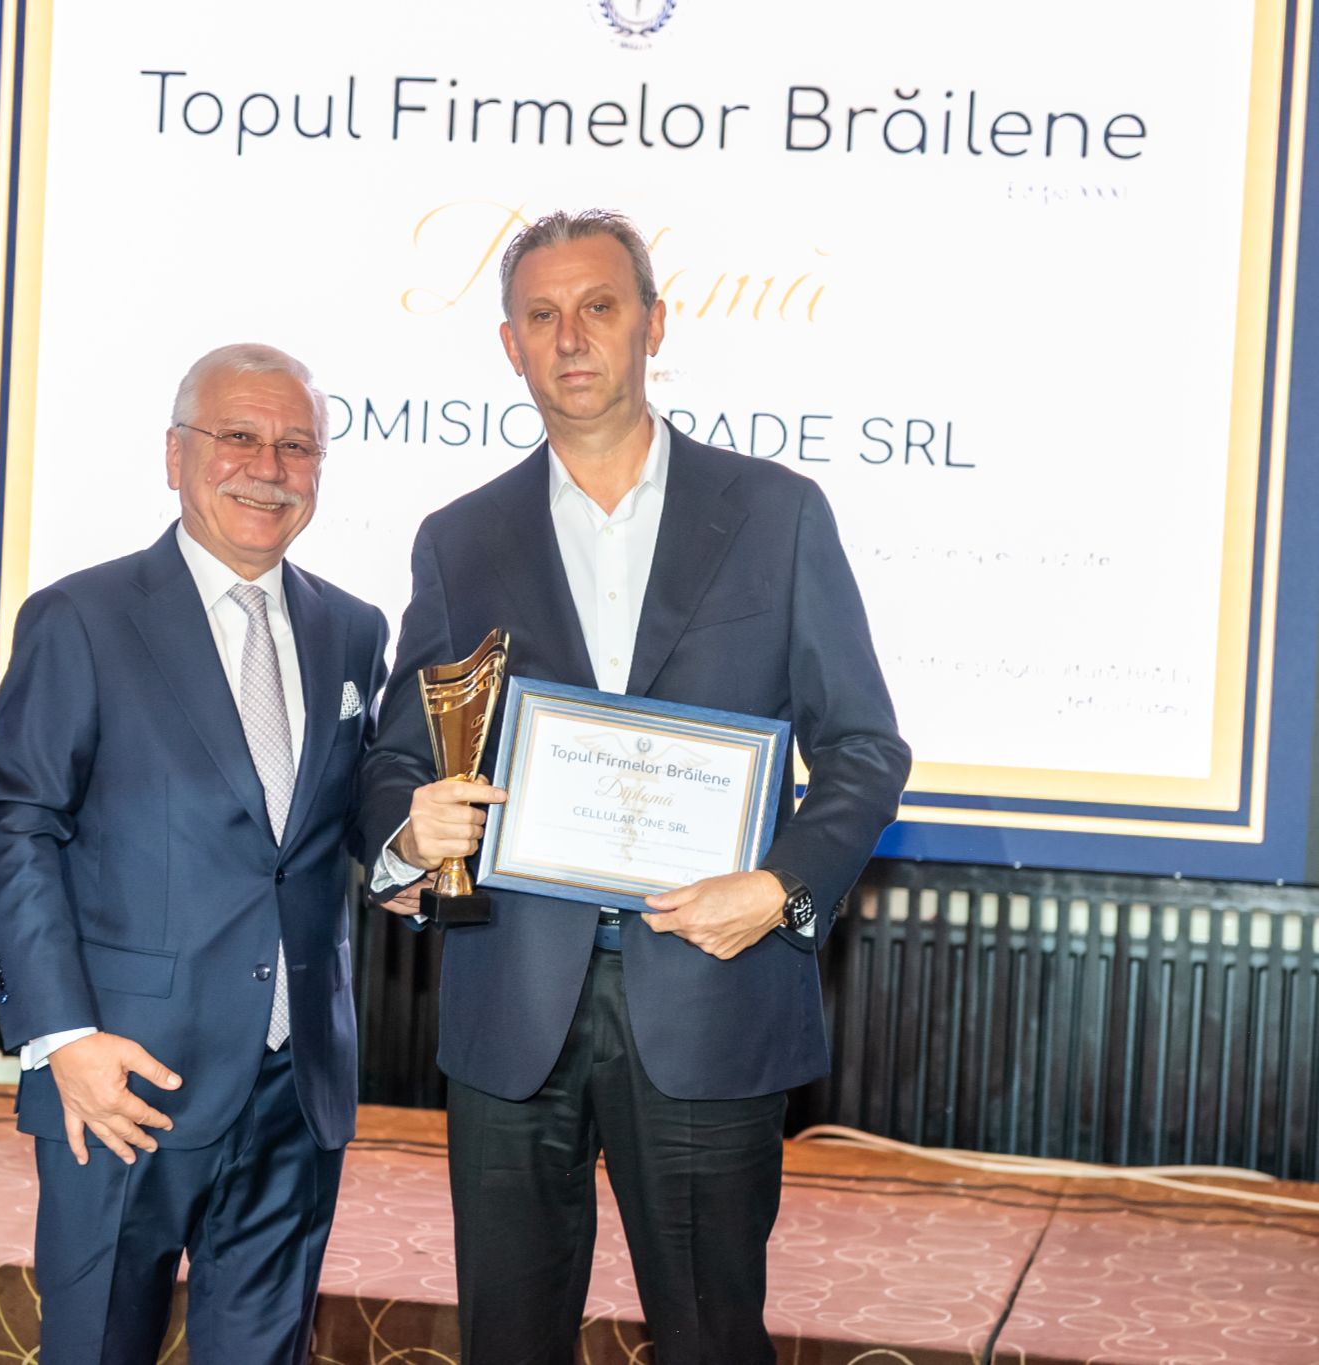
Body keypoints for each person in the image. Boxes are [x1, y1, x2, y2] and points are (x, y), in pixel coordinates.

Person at [358, 210, 911, 1364]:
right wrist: (407, 834)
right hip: (513, 1001)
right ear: (510, 346)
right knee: (509, 1343)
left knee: (712, 1341)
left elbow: (865, 747)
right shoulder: (460, 540)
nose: (572, 337)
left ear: (653, 325)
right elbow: (399, 756)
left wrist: (779, 887)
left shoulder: (776, 515)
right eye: (542, 315)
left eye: (599, 307)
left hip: (712, 995)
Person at [0, 343, 389, 1364]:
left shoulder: (354, 630)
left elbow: (345, 824)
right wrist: (63, 1039)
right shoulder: (81, 618)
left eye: (298, 447)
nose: (269, 467)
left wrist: (418, 846)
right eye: (238, 436)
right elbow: (16, 825)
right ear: (174, 454)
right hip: (122, 1081)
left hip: (296, 1088)